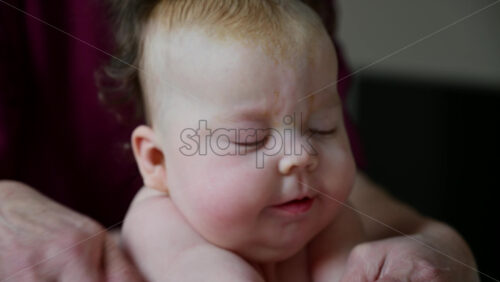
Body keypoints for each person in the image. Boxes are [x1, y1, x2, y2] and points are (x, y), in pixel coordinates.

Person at [0, 0, 478, 281]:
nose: (301, 156)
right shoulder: (158, 225)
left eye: (321, 128)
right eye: (249, 139)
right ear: (158, 160)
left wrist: (430, 247)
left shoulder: (329, 217)